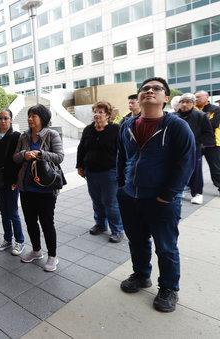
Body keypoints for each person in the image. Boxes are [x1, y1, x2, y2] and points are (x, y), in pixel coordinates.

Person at [117, 77, 195, 313]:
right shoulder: (127, 125)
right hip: (130, 197)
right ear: (139, 96)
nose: (149, 91)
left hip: (161, 200)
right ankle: (141, 275)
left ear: (166, 98)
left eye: (156, 89)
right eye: (145, 88)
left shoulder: (177, 126)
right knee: (137, 241)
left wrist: (168, 195)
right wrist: (121, 186)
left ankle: (169, 288)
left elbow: (186, 163)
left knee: (166, 246)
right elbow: (122, 157)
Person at [13, 104, 64, 272]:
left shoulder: (51, 134)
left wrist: (40, 154)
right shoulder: (24, 136)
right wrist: (24, 155)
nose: (30, 119)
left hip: (46, 189)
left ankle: (53, 256)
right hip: (26, 188)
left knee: (47, 222)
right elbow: (15, 157)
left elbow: (59, 157)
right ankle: (36, 251)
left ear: (43, 118)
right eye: (29, 116)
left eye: (33, 116)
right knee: (30, 221)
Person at [76, 101, 124, 243]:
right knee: (97, 201)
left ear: (108, 115)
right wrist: (80, 166)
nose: (97, 114)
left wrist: (122, 169)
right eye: (95, 111)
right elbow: (81, 149)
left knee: (110, 202)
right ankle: (101, 225)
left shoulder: (116, 129)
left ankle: (117, 230)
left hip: (109, 172)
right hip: (91, 172)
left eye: (101, 112)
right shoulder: (88, 130)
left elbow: (123, 151)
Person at [0, 108, 24, 255]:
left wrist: (17, 180)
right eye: (0, 118)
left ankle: (20, 241)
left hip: (11, 179)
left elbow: (19, 161)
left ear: (11, 120)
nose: (2, 121)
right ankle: (8, 240)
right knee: (4, 212)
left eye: (6, 118)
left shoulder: (16, 136)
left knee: (13, 211)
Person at [176, 93, 215, 205]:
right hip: (177, 149)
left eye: (188, 102)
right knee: (178, 170)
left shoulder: (201, 115)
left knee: (195, 171)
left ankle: (197, 193)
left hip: (194, 148)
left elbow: (208, 133)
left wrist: (200, 145)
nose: (184, 104)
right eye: (182, 102)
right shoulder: (174, 116)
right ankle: (179, 191)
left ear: (193, 103)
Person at [195, 90, 220, 196]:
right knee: (195, 168)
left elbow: (212, 124)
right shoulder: (193, 109)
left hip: (212, 143)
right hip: (197, 143)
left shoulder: (215, 109)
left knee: (215, 168)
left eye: (199, 97)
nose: (196, 99)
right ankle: (195, 190)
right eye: (195, 97)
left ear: (207, 97)